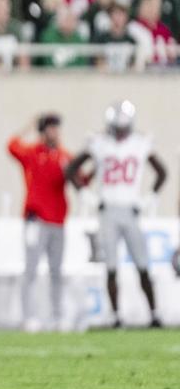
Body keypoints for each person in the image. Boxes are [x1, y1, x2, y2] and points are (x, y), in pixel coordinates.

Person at [65, 101, 168, 328]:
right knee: (111, 267)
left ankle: (154, 313)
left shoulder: (140, 143)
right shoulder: (99, 143)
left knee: (143, 264)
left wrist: (150, 198)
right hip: (108, 210)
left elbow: (162, 172)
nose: (121, 134)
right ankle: (116, 316)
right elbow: (71, 169)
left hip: (131, 210)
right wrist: (86, 195)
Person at [8, 113, 71, 332]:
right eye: (51, 128)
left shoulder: (64, 157)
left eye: (57, 128)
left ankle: (57, 315)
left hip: (58, 221)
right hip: (36, 220)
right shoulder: (33, 153)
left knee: (56, 271)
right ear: (43, 131)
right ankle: (29, 316)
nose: (55, 132)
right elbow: (11, 145)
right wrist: (30, 124)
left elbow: (80, 178)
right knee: (31, 269)